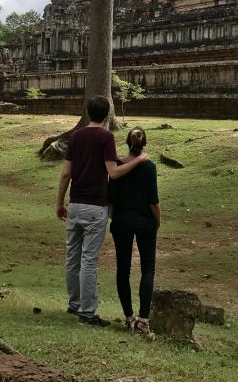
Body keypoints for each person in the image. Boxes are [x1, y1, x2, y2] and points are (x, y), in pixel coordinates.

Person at [56, 96, 147, 327]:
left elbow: (66, 173)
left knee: (72, 258)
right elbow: (113, 173)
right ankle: (87, 313)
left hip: (75, 204)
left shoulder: (76, 136)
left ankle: (74, 304)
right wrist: (138, 161)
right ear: (107, 114)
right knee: (88, 261)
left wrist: (60, 202)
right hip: (95, 207)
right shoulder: (106, 137)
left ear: (87, 112)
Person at [108, 126, 160, 337]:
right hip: (145, 221)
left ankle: (129, 317)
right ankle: (144, 320)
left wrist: (116, 217)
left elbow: (110, 199)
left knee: (123, 268)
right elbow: (153, 201)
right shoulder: (149, 167)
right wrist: (158, 220)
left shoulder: (118, 167)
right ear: (144, 144)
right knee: (147, 268)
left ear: (127, 143)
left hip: (121, 221)